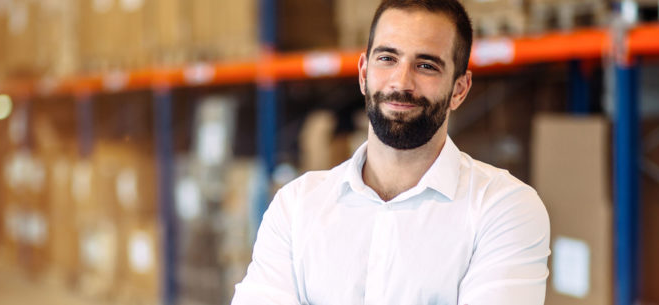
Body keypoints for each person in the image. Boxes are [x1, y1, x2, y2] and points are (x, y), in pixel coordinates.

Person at [231, 0, 550, 304]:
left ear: (459, 89)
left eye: (426, 65)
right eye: (387, 59)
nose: (401, 82)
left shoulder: (504, 209)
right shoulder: (295, 207)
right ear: (363, 73)